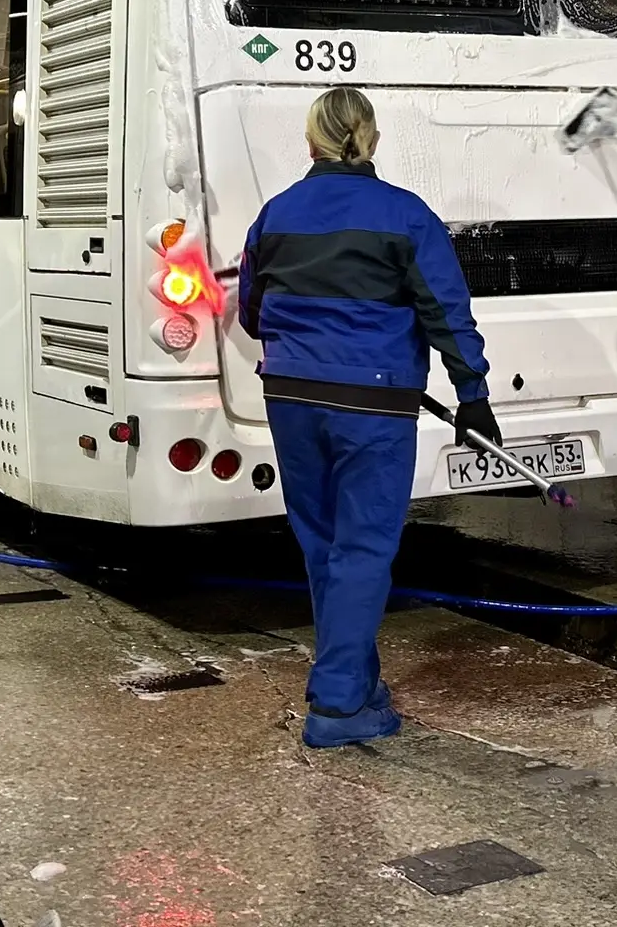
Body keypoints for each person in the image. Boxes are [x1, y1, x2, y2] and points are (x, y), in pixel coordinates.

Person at [237, 87, 498, 748]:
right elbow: (445, 310)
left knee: (325, 545)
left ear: (311, 143)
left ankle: (355, 677)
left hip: (291, 398)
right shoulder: (404, 216)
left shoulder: (275, 216)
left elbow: (249, 310)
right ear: (371, 140)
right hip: (373, 405)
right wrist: (473, 395)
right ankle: (339, 704)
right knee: (364, 548)